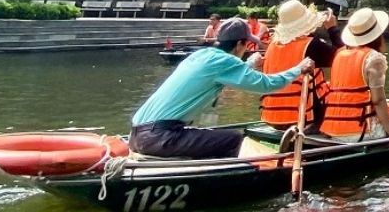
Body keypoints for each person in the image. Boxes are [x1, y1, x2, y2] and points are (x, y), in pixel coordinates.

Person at [130, 18, 312, 159]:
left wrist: (248, 64)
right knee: (233, 139)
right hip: (160, 137)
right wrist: (298, 69)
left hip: (137, 135)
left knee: (216, 136)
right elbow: (267, 84)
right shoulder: (226, 61)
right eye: (247, 45)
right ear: (241, 44)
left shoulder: (201, 55)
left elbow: (222, 74)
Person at [321, 8, 389, 141]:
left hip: (332, 128)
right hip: (361, 130)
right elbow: (378, 101)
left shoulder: (339, 54)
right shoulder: (373, 58)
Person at [260, 0, 344, 129]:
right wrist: (333, 29)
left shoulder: (273, 45)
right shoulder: (311, 44)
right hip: (304, 118)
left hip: (272, 118)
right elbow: (344, 59)